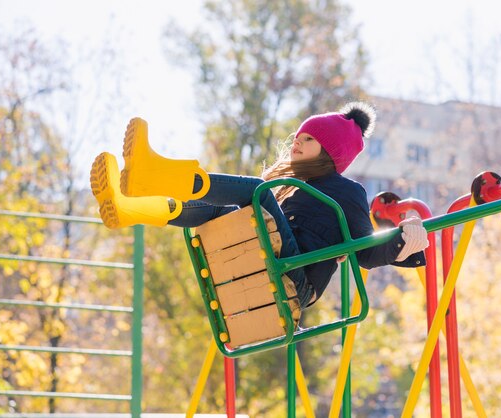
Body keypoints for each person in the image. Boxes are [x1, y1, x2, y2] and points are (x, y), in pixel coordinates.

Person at [90, 102, 429, 313]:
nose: (297, 141)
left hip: (297, 280)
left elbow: (364, 251)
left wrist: (402, 243)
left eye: (309, 139)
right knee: (220, 213)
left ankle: (157, 175)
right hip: (273, 262)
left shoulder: (347, 192)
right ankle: (130, 207)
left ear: (331, 152)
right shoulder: (294, 192)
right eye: (298, 136)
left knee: (255, 191)